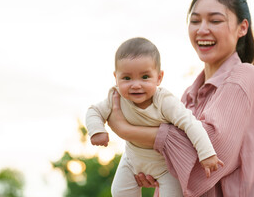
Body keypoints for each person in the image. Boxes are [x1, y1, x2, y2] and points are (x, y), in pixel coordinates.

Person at [107, 0, 254, 197]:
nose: (202, 29)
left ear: (242, 27)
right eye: (195, 20)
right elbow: (175, 162)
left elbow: (212, 150)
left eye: (215, 20)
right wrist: (152, 168)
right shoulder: (188, 96)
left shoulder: (245, 76)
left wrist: (126, 130)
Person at [86, 37, 223, 197]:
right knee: (119, 191)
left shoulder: (164, 101)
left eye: (145, 77)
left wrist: (206, 153)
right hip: (132, 160)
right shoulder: (116, 97)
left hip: (165, 166)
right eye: (127, 78)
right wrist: (96, 130)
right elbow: (93, 111)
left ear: (159, 77)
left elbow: (190, 124)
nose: (136, 85)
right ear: (116, 77)